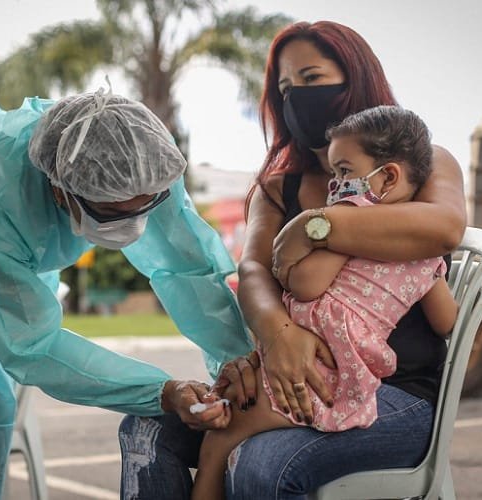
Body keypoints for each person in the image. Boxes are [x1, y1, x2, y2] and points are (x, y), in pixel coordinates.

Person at [118, 20, 466, 499]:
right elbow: (255, 269)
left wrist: (315, 225)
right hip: (290, 366)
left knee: (260, 464)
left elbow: (445, 227)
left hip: (396, 393)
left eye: (311, 78)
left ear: (355, 77)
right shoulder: (278, 186)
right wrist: (279, 338)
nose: (296, 97)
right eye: (285, 89)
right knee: (147, 430)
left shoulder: (418, 164)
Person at [0, 88, 253, 499]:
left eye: (147, 206)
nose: (136, 226)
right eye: (113, 212)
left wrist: (240, 359)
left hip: (15, 261)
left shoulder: (147, 161)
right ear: (59, 189)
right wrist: (161, 391)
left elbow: (186, 265)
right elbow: (32, 345)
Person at [189, 105, 459, 500]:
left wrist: (313, 239)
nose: (335, 183)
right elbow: (446, 320)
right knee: (227, 426)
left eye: (345, 171)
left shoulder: (348, 218)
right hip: (344, 365)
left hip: (326, 368)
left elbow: (308, 285)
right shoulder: (426, 254)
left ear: (387, 177)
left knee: (218, 442)